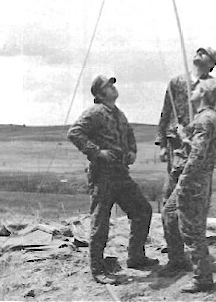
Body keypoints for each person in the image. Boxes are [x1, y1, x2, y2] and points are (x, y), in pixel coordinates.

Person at [67, 75, 158, 285]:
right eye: (108, 86)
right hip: (103, 174)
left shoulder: (119, 113)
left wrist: (132, 151)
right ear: (99, 94)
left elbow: (130, 134)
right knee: (101, 220)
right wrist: (97, 152)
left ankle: (136, 257)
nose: (113, 88)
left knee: (142, 210)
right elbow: (74, 133)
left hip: (120, 173)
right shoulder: (95, 113)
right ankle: (97, 269)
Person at [160, 78, 216, 293]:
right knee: (169, 214)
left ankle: (203, 278)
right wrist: (184, 136)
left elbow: (197, 156)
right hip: (192, 179)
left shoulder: (205, 119)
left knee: (192, 229)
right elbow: (197, 147)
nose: (192, 91)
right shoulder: (204, 118)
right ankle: (179, 261)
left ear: (204, 94)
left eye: (197, 89)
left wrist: (183, 183)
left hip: (192, 182)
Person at [155, 46, 216, 203]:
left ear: (211, 63)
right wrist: (162, 144)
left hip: (198, 140)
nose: (199, 54)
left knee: (194, 182)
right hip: (175, 140)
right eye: (198, 52)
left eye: (204, 54)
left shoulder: (212, 85)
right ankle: (169, 216)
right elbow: (166, 112)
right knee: (173, 179)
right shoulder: (177, 82)